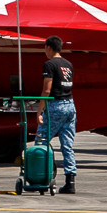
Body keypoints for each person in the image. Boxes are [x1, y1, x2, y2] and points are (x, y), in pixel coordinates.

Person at [36, 35, 77, 194]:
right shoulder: (68, 64)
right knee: (67, 145)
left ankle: (42, 176)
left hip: (55, 106)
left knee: (41, 141)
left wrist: (40, 111)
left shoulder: (49, 64)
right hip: (70, 105)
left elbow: (47, 90)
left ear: (49, 48)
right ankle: (70, 182)